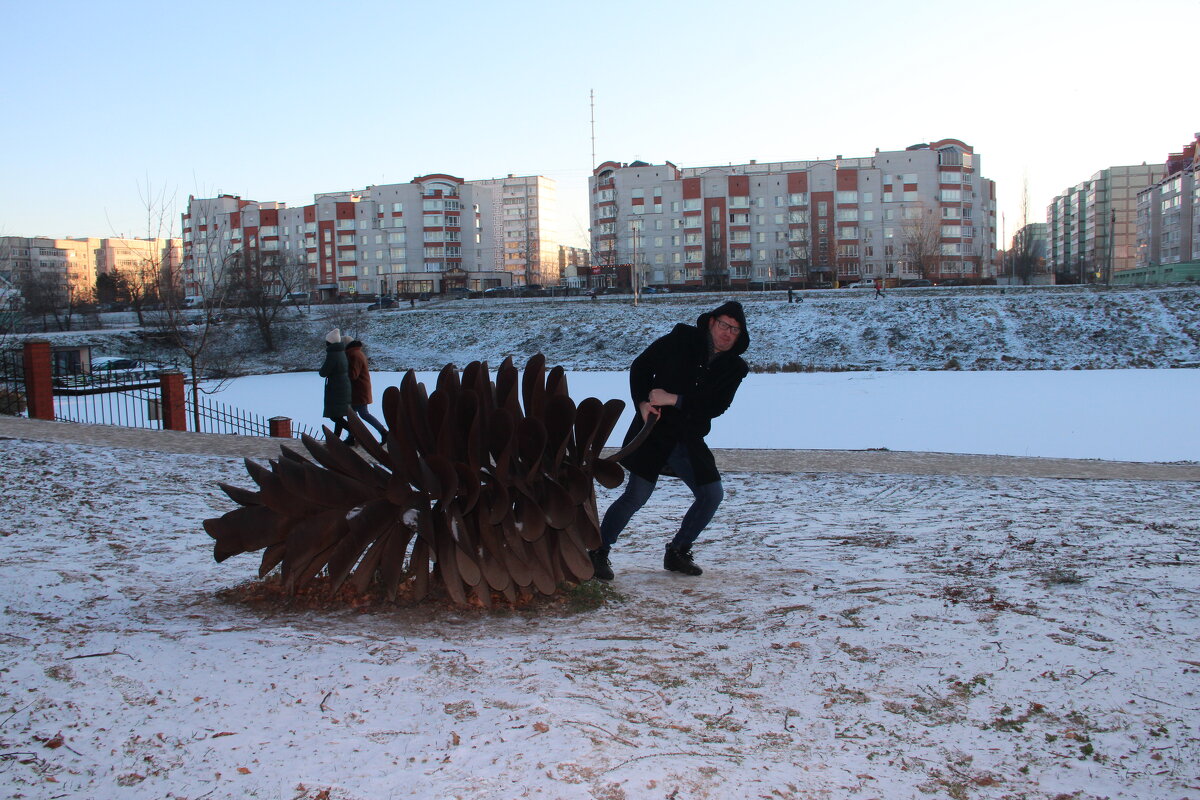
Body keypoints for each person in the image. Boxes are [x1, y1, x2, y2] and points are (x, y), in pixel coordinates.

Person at [590, 300, 750, 580]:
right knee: (636, 496)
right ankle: (598, 552)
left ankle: (678, 551)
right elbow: (641, 366)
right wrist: (642, 402)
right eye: (724, 325)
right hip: (654, 431)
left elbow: (717, 405)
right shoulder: (681, 339)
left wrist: (674, 399)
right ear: (711, 322)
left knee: (711, 495)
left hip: (688, 438)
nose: (728, 333)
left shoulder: (734, 368)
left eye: (735, 330)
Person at [344, 338, 388, 445]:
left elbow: (353, 374)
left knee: (362, 414)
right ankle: (351, 437)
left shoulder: (354, 355)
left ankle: (384, 432)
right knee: (354, 414)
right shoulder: (358, 353)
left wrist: (343, 371)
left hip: (358, 391)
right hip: (359, 390)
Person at [319, 328, 352, 443]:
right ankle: (335, 439)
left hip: (337, 389)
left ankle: (353, 432)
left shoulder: (332, 354)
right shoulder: (341, 352)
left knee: (335, 416)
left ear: (330, 342)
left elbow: (323, 372)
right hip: (343, 386)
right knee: (339, 415)